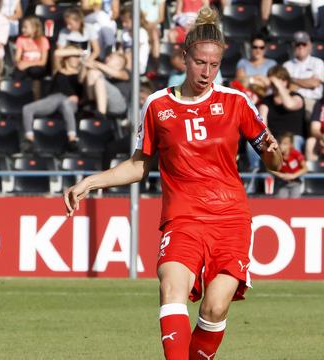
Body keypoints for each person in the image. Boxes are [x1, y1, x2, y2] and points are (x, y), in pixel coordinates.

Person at [63, 7, 281, 360]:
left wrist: (273, 152)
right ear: (184, 57)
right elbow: (138, 165)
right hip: (183, 219)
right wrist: (90, 182)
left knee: (214, 308)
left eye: (214, 65)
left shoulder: (236, 102)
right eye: (200, 63)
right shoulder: (157, 105)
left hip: (230, 219)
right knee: (171, 289)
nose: (207, 72)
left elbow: (274, 162)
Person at [21, 46, 85, 153]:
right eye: (74, 56)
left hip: (70, 102)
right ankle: (29, 139)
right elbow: (56, 53)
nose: (77, 59)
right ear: (66, 57)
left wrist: (81, 56)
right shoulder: (58, 70)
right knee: (27, 108)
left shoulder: (80, 72)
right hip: (53, 100)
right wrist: (79, 51)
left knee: (66, 103)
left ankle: (72, 140)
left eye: (78, 57)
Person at [283, 31, 324, 119]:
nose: (301, 47)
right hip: (291, 101)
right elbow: (286, 86)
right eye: (298, 44)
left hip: (311, 101)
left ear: (310, 45)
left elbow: (314, 83)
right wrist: (307, 82)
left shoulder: (317, 62)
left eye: (304, 44)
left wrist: (293, 80)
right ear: (293, 46)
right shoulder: (286, 65)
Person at [82, 52, 131, 118]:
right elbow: (80, 80)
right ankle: (91, 104)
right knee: (92, 72)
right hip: (103, 102)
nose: (107, 58)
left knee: (99, 80)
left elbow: (118, 74)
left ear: (119, 62)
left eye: (111, 57)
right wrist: (84, 66)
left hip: (119, 105)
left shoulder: (125, 72)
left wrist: (95, 63)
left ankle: (101, 114)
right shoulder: (101, 71)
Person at [14, 16, 50, 100]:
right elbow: (17, 58)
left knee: (35, 72)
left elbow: (43, 62)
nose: (23, 29)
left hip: (37, 66)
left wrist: (28, 64)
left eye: (25, 27)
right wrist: (19, 64)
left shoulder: (43, 40)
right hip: (24, 65)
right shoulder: (20, 39)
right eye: (22, 27)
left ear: (35, 28)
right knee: (17, 74)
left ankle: (36, 99)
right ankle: (19, 99)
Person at [269, 132, 307, 198]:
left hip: (295, 183)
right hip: (281, 183)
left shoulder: (296, 154)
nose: (281, 146)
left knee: (294, 205)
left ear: (291, 145)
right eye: (280, 143)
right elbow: (269, 168)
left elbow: (305, 168)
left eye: (285, 144)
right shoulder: (275, 154)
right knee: (281, 204)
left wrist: (293, 176)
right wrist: (280, 175)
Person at [120, 5, 150, 74]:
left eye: (126, 22)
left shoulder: (141, 32)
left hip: (138, 64)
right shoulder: (125, 32)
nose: (123, 25)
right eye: (122, 22)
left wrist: (122, 59)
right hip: (125, 61)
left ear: (135, 20)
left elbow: (134, 51)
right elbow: (121, 48)